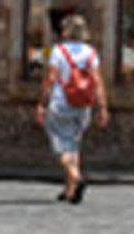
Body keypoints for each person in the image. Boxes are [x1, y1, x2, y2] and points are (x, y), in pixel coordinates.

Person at [38, 14, 109, 204]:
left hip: (61, 102)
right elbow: (97, 81)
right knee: (73, 145)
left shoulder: (58, 51)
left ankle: (75, 177)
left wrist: (42, 103)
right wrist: (102, 106)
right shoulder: (91, 52)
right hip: (83, 104)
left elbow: (51, 78)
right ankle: (69, 190)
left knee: (61, 147)